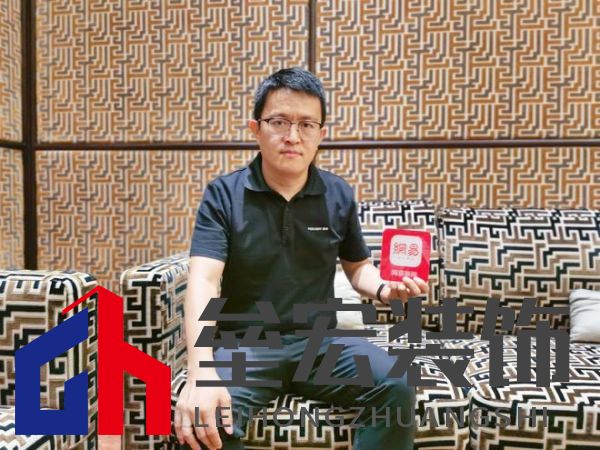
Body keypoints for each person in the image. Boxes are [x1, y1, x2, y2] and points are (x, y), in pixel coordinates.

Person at [174, 67, 429, 450]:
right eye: (279, 122)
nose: (293, 136)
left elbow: (358, 267)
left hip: (320, 343)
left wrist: (385, 289)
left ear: (321, 134)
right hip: (245, 344)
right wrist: (201, 371)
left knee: (398, 382)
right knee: (203, 421)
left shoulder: (338, 194)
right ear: (255, 128)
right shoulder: (223, 195)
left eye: (307, 125)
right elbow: (204, 280)